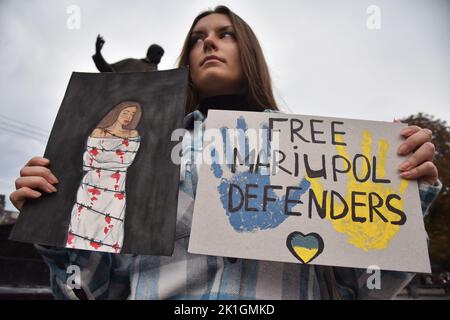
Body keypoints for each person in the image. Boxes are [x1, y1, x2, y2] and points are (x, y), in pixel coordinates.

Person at [10, 6, 442, 300]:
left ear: (248, 50)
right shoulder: (141, 150)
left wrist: (403, 195)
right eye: (197, 38)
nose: (208, 43)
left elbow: (361, 288)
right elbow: (97, 290)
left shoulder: (321, 152)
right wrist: (56, 221)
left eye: (225, 34)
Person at [67, 102, 141, 254]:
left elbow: (126, 161)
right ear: (117, 112)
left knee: (109, 231)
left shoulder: (133, 135)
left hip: (115, 191)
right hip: (90, 187)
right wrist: (112, 160)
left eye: (132, 115)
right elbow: (87, 161)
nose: (128, 117)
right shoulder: (98, 132)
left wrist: (101, 158)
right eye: (126, 112)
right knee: (82, 225)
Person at [92, 34, 164, 72]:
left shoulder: (160, 75)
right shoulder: (131, 63)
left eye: (161, 55)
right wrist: (98, 52)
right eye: (158, 53)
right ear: (149, 53)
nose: (160, 57)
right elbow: (108, 70)